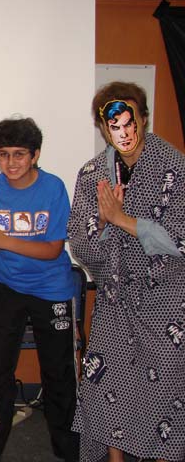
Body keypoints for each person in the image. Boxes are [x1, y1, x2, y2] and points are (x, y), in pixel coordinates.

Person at [68, 81, 185, 462]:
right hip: (115, 299)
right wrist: (103, 225)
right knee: (107, 386)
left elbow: (180, 236)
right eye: (112, 123)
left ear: (144, 119)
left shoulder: (174, 167)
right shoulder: (92, 174)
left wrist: (124, 220)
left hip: (166, 300)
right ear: (103, 128)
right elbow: (80, 245)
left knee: (166, 391)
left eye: (128, 120)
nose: (121, 130)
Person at [0, 116, 79, 462]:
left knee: (58, 373)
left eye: (19, 154)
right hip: (8, 286)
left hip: (52, 288)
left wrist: (3, 239)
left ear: (35, 155)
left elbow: (52, 250)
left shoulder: (53, 188)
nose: (11, 162)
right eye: (3, 154)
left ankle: (68, 451)